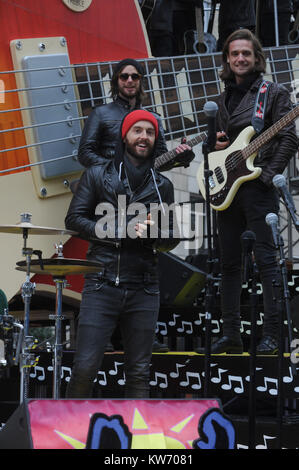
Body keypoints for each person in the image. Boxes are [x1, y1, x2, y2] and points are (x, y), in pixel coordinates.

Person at [77, 57, 194, 353]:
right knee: (106, 260)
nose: (130, 81)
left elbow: (160, 160)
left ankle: (140, 335)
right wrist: (114, 172)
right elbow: (85, 152)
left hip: (143, 198)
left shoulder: (151, 118)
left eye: (135, 76)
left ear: (141, 81)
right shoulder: (101, 113)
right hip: (108, 194)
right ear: (116, 80)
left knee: (146, 255)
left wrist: (182, 156)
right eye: (124, 76)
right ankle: (101, 337)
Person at [65, 110, 182, 398]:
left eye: (150, 132)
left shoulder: (162, 185)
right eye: (138, 131)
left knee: (140, 372)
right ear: (125, 136)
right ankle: (70, 437)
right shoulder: (96, 175)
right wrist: (120, 228)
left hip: (144, 286)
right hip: (101, 282)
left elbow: (172, 239)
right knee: (85, 367)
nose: (144, 137)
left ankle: (134, 438)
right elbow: (74, 220)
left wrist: (156, 235)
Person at [196, 29, 298, 355]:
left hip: (257, 188)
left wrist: (267, 176)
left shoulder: (273, 92)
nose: (241, 59)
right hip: (226, 188)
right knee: (228, 265)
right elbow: (212, 148)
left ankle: (270, 336)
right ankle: (230, 334)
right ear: (227, 58)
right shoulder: (223, 97)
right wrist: (214, 145)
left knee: (267, 261)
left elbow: (290, 138)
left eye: (246, 54)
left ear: (256, 58)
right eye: (235, 54)